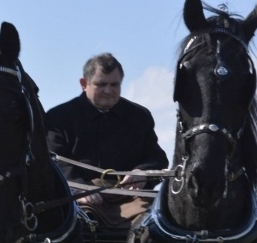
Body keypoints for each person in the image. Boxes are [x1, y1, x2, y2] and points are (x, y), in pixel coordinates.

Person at [46, 52, 169, 230]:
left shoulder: (139, 117)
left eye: (114, 85)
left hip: (132, 199)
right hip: (80, 199)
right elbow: (53, 162)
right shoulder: (59, 118)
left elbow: (157, 158)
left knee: (155, 226)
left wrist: (142, 172)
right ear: (83, 84)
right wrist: (79, 189)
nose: (108, 91)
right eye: (101, 84)